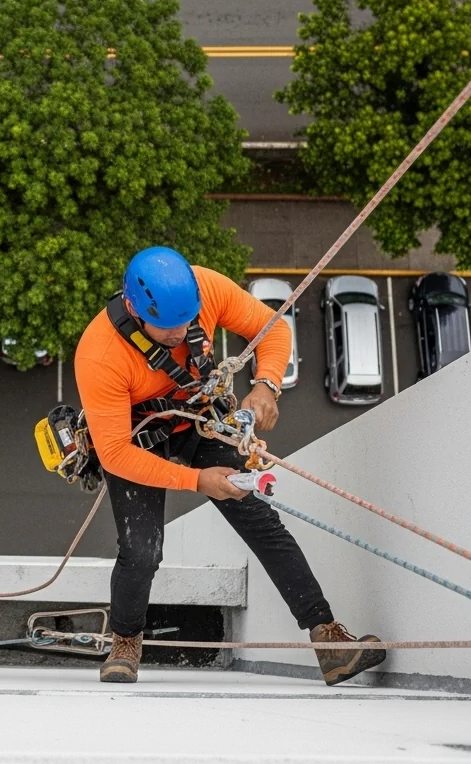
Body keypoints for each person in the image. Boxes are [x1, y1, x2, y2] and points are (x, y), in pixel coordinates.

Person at [73, 246, 385, 685]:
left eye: (187, 321)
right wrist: (197, 481)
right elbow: (115, 454)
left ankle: (327, 638)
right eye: (167, 328)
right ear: (133, 310)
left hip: (199, 421)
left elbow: (272, 330)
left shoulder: (206, 287)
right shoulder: (99, 354)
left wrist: (267, 385)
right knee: (142, 550)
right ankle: (125, 640)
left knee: (260, 521)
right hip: (139, 442)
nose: (181, 333)